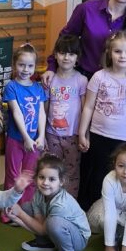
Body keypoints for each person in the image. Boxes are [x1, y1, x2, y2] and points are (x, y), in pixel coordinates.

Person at [77, 30, 126, 210]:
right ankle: (89, 211)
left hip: (123, 140)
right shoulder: (99, 76)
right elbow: (88, 106)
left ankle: (112, 210)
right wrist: (82, 133)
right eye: (117, 51)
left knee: (117, 176)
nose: (122, 56)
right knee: (95, 175)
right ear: (109, 53)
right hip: (98, 135)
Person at [6, 154, 90, 251]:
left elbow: (42, 229)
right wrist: (16, 218)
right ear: (36, 178)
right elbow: (39, 225)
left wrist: (19, 213)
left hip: (78, 240)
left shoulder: (61, 204)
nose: (45, 183)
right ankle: (45, 243)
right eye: (41, 177)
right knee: (27, 207)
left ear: (61, 182)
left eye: (52, 179)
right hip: (55, 227)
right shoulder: (38, 194)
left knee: (53, 222)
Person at [1, 44, 46, 212]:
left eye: (30, 66)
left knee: (30, 175)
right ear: (14, 65)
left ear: (35, 66)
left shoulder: (38, 88)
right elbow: (17, 113)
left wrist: (41, 136)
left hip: (34, 141)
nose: (26, 70)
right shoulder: (11, 87)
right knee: (13, 175)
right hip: (16, 139)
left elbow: (41, 113)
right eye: (21, 65)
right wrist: (26, 138)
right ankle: (9, 210)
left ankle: (25, 209)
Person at [43, 34, 87, 196]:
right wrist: (42, 135)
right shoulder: (50, 80)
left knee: (71, 171)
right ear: (55, 55)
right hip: (52, 135)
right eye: (62, 53)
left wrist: (84, 135)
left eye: (71, 54)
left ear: (77, 57)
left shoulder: (81, 80)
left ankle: (69, 203)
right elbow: (45, 108)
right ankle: (51, 201)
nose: (66, 57)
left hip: (73, 136)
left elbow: (85, 109)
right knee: (51, 170)